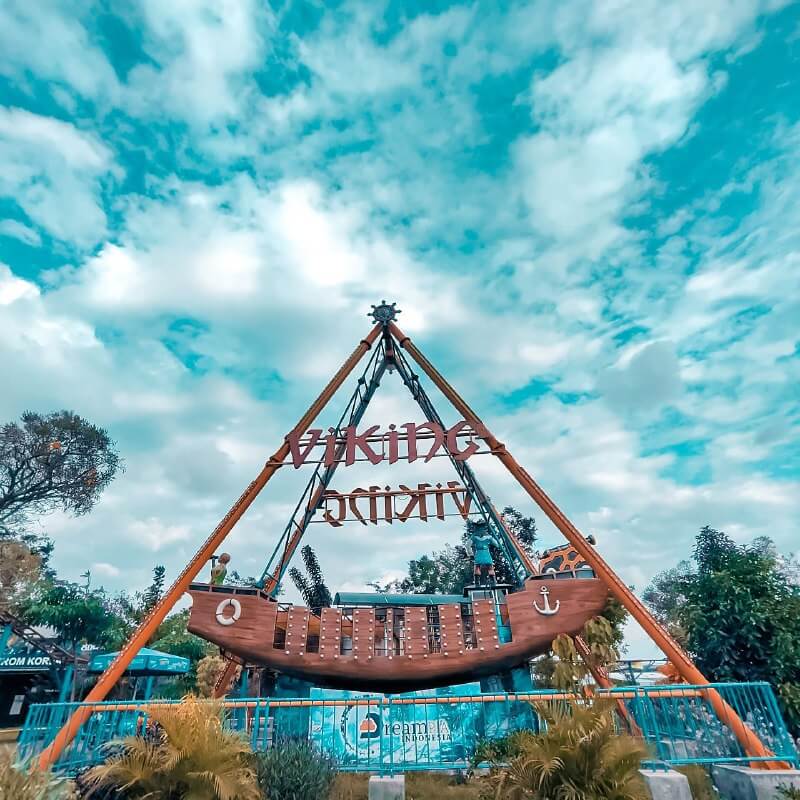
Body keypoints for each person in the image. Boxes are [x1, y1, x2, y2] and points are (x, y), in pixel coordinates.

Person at [470, 522, 501, 586]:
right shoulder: (489, 537)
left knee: (477, 567)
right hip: (486, 552)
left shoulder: (474, 537)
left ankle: (477, 582)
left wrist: (470, 554)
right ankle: (493, 581)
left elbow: (467, 545)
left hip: (478, 553)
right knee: (490, 567)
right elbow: (497, 544)